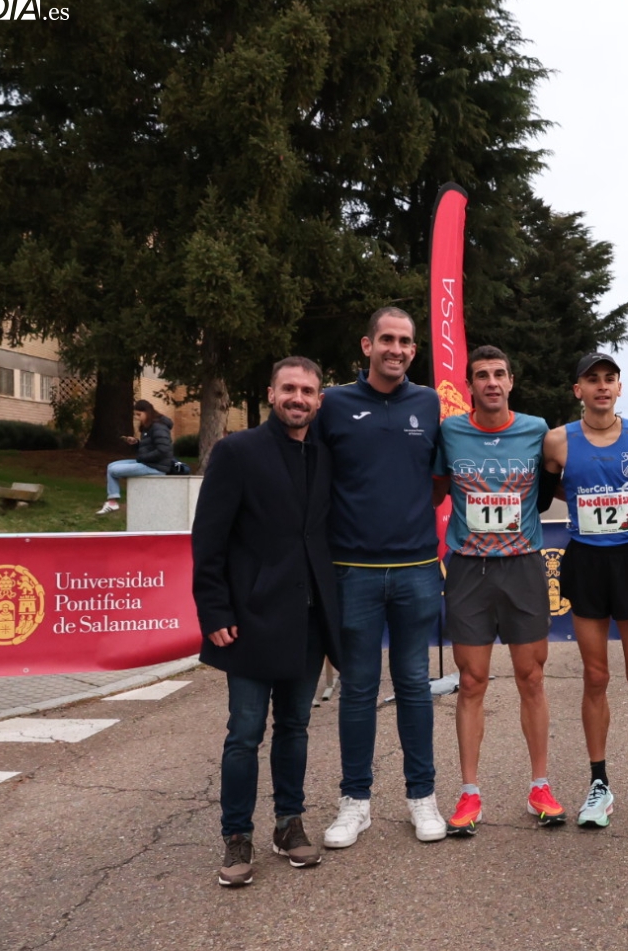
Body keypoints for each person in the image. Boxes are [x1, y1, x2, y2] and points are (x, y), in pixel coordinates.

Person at [191, 357, 340, 887]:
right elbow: (208, 538)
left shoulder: (325, 455)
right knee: (244, 733)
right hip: (250, 620)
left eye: (308, 391)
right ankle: (237, 835)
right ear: (272, 394)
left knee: (295, 728)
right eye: (289, 389)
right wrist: (214, 610)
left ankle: (288, 823)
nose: (299, 398)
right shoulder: (237, 452)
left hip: (308, 619)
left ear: (319, 400)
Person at [315, 306, 448, 848]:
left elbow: (438, 479)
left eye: (406, 341)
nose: (397, 349)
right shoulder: (333, 403)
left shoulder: (429, 403)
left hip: (417, 568)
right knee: (358, 688)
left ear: (414, 350)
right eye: (387, 339)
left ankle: (423, 797)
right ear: (367, 345)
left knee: (414, 685)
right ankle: (355, 802)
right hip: (354, 572)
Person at [541, 351, 628, 828]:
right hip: (585, 562)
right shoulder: (558, 441)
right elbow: (542, 494)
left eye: (609, 378)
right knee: (596, 676)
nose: (602, 386)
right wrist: (581, 493)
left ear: (620, 387)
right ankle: (598, 783)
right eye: (592, 379)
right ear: (578, 390)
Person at [435, 346, 561, 836]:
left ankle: (540, 786)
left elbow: (563, 479)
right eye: (482, 375)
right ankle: (469, 792)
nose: (491, 382)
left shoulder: (536, 429)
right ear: (469, 386)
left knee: (532, 678)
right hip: (469, 569)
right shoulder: (451, 431)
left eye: (499, 374)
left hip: (523, 566)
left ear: (511, 382)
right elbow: (433, 488)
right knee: (471, 682)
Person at [97, 399, 174, 514]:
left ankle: (112, 503)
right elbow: (150, 446)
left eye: (139, 414)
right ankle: (112, 501)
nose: (137, 418)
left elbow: (163, 450)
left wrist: (144, 458)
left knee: (113, 470)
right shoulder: (149, 427)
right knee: (111, 466)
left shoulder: (158, 427)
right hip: (148, 462)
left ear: (147, 412)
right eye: (136, 415)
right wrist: (137, 443)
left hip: (156, 467)